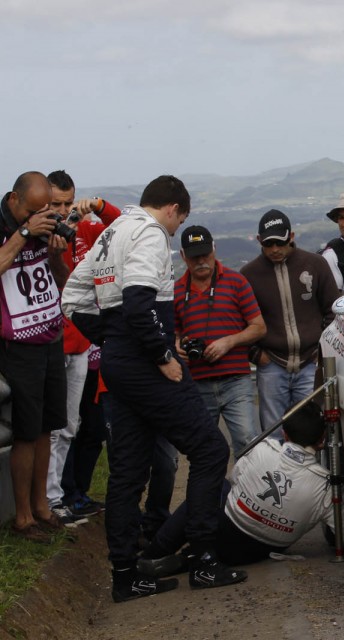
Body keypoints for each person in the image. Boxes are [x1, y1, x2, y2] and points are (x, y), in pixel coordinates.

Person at [62, 175, 246, 602]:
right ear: (174, 210)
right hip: (145, 359)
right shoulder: (148, 233)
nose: (174, 230)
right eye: (178, 223)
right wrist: (163, 358)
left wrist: (109, 339)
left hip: (119, 361)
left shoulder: (111, 233)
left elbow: (72, 299)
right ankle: (203, 560)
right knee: (210, 450)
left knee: (127, 472)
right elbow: (141, 303)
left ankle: (125, 576)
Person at [137, 402, 344, 575]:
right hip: (259, 550)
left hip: (227, 526)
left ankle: (155, 552)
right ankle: (185, 559)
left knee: (212, 488)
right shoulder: (327, 486)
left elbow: (236, 480)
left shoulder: (263, 448)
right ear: (322, 441)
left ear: (284, 433)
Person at [45, 169, 120, 524]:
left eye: (66, 203)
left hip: (81, 343)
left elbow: (120, 227)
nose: (61, 212)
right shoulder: (37, 236)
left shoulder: (86, 230)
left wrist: (97, 207)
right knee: (52, 427)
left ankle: (61, 496)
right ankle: (50, 498)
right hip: (49, 341)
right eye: (54, 204)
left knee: (71, 427)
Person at [0, 171, 70, 543]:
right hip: (18, 343)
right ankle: (22, 517)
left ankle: (42, 506)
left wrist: (56, 255)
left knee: (47, 426)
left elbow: (60, 280)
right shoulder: (10, 227)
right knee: (26, 431)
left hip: (50, 332)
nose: (39, 217)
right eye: (32, 211)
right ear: (13, 200)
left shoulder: (43, 227)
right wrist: (24, 233)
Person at [240, 209, 338, 433]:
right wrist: (256, 355)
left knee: (312, 429)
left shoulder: (315, 264)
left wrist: (321, 349)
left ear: (291, 237)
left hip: (310, 362)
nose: (275, 249)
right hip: (271, 364)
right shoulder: (249, 274)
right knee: (273, 431)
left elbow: (333, 309)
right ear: (259, 241)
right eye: (268, 244)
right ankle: (275, 469)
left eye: (280, 242)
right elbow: (240, 321)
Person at [174, 225, 266, 459]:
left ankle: (247, 493)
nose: (201, 261)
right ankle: (209, 495)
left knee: (247, 440)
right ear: (183, 256)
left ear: (214, 249)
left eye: (205, 254)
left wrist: (229, 342)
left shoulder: (236, 282)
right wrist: (176, 346)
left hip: (235, 380)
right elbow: (171, 334)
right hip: (196, 383)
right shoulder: (175, 291)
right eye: (195, 256)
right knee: (202, 448)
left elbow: (258, 327)